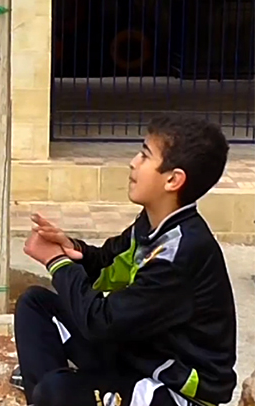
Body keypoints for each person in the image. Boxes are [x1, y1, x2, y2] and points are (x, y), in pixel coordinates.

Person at [12, 114, 237, 406]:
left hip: (173, 387)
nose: (133, 162)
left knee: (55, 391)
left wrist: (57, 263)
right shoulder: (153, 223)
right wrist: (71, 248)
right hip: (136, 352)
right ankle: (50, 393)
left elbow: (101, 322)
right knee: (35, 304)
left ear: (173, 179)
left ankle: (54, 392)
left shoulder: (181, 253)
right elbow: (108, 261)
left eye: (145, 155)